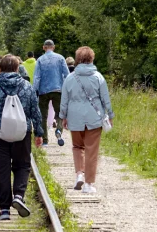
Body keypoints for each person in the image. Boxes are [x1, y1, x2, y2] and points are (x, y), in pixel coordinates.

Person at [0, 55, 44, 221]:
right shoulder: (27, 87)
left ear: (0, 69)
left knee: (0, 169)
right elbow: (35, 111)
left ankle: (4, 209)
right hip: (22, 131)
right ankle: (18, 196)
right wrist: (39, 133)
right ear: (17, 68)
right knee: (22, 165)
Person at [59, 46, 114, 194]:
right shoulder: (98, 77)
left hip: (74, 117)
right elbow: (105, 99)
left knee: (77, 146)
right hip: (94, 118)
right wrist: (110, 115)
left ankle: (79, 174)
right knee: (91, 150)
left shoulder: (70, 78)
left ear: (77, 59)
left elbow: (64, 100)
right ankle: (88, 184)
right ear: (91, 59)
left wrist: (63, 116)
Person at [32, 40, 70, 148]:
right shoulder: (61, 58)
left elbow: (37, 77)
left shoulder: (40, 60)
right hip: (58, 90)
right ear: (54, 47)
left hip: (43, 91)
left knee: (43, 116)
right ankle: (58, 130)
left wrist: (35, 90)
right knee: (59, 113)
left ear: (44, 47)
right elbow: (67, 74)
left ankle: (45, 141)